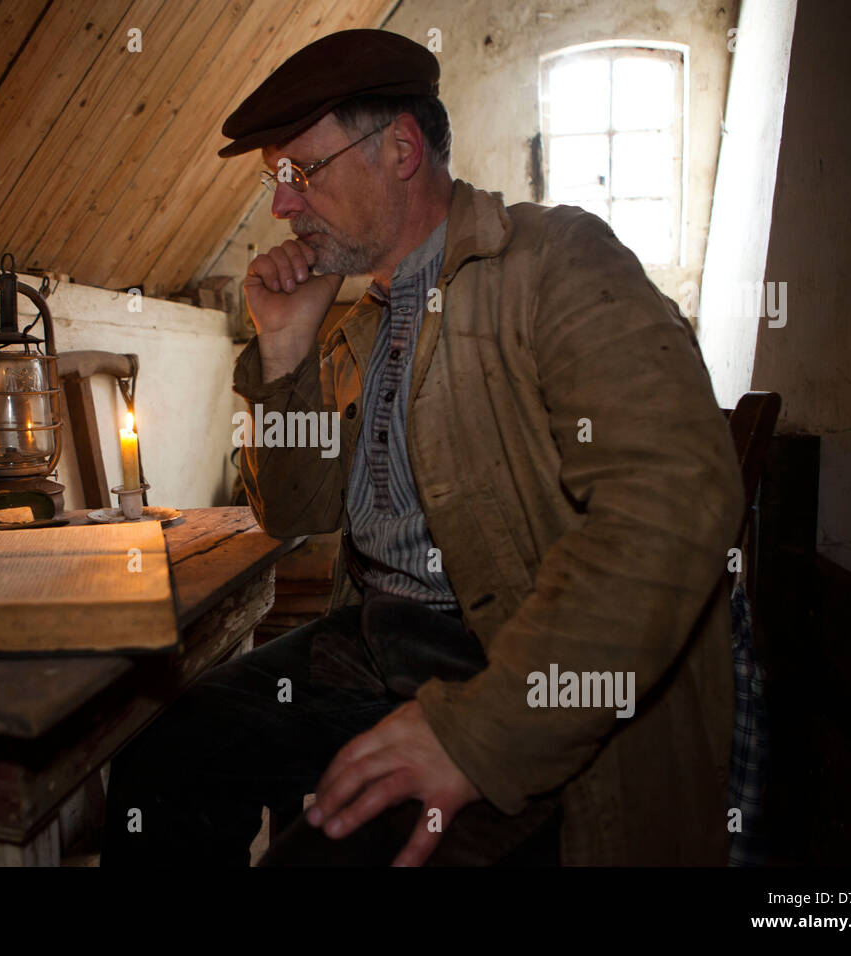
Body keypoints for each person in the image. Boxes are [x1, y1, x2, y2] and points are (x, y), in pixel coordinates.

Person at [102, 28, 744, 866]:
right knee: (164, 759)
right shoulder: (364, 319)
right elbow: (293, 512)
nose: (282, 206)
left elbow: (675, 501)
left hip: (510, 660)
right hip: (378, 644)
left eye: (302, 172)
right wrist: (286, 354)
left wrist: (478, 734)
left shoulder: (555, 263)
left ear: (400, 148)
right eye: (275, 181)